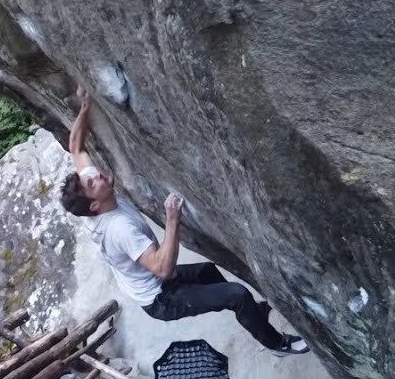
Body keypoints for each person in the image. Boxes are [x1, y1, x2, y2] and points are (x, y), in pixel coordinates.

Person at [59, 90, 310, 356]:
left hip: (154, 282)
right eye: (91, 183)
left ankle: (253, 316)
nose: (96, 174)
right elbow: (163, 268)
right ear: (95, 205)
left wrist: (85, 108)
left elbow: (76, 147)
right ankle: (277, 344)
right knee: (237, 295)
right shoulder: (119, 229)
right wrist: (172, 220)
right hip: (161, 298)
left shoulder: (94, 204)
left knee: (208, 272)